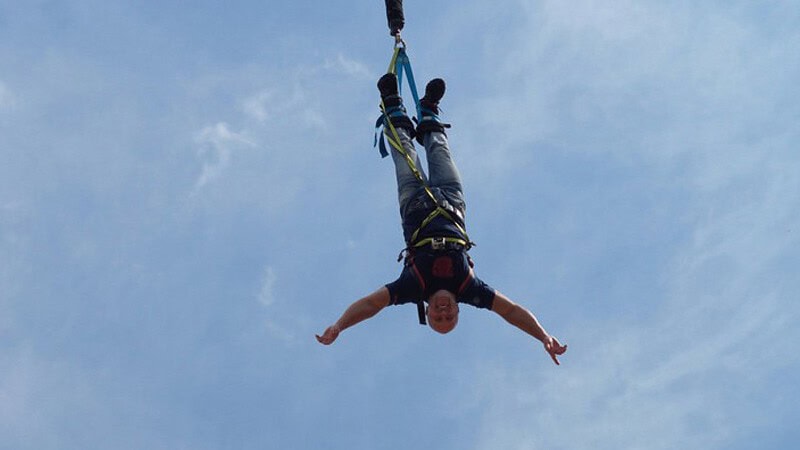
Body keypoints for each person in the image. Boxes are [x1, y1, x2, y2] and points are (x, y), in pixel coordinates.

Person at [315, 71, 568, 365]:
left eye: (438, 317)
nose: (444, 311)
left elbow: (372, 304)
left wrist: (340, 325)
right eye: (449, 316)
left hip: (414, 204)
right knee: (439, 150)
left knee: (403, 150)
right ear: (459, 309)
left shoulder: (413, 287)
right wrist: (543, 335)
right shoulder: (469, 288)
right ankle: (429, 110)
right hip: (452, 203)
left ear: (428, 311)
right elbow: (511, 311)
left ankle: (392, 102)